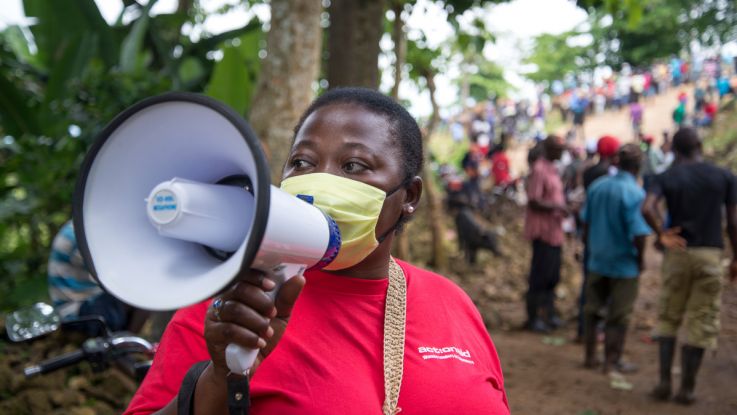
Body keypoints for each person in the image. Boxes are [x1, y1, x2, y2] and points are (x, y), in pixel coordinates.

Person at [124, 88, 509, 414]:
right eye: (302, 162)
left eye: (354, 165)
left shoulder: (451, 304)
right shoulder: (230, 307)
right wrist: (217, 382)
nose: (320, 180)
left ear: (408, 196)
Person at [642, 127, 737, 405]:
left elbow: (647, 208)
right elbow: (732, 222)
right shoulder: (724, 177)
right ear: (699, 145)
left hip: (678, 253)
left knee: (668, 317)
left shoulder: (666, 176)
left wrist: (661, 233)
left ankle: (662, 384)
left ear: (674, 149)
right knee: (702, 319)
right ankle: (687, 389)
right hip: (710, 253)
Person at [580, 144, 651, 373]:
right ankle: (612, 361)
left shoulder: (597, 187)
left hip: (598, 259)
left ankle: (590, 357)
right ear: (638, 166)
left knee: (592, 309)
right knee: (618, 315)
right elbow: (639, 233)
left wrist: (589, 248)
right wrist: (640, 259)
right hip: (623, 263)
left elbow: (586, 222)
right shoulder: (635, 193)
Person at [49, 220, 148, 334]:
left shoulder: (83, 227)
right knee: (144, 288)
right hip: (74, 312)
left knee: (142, 285)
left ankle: (127, 340)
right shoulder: (78, 233)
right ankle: (127, 342)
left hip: (89, 302)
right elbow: (119, 273)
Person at [524, 135, 568, 333]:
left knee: (552, 276)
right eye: (558, 149)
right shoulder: (539, 169)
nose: (561, 152)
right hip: (543, 231)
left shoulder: (554, 169)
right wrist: (558, 206)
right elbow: (534, 199)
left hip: (555, 231)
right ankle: (534, 318)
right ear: (549, 149)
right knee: (539, 276)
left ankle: (548, 314)